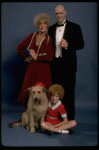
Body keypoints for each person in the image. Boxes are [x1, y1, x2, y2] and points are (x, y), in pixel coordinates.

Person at [48, 5, 84, 120]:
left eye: (60, 13)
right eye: (56, 13)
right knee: (55, 95)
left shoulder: (75, 27)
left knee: (68, 95)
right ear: (54, 15)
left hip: (69, 67)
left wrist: (68, 45)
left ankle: (69, 122)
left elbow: (81, 44)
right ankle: (56, 121)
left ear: (65, 13)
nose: (58, 15)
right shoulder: (51, 28)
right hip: (55, 66)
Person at [16, 13, 54, 107]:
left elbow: (51, 57)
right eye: (40, 24)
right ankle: (28, 116)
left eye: (44, 24)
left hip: (44, 70)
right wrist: (25, 57)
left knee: (43, 93)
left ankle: (42, 118)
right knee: (29, 90)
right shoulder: (32, 36)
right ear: (37, 25)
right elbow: (19, 48)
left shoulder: (49, 39)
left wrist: (37, 57)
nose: (42, 26)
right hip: (32, 68)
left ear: (47, 25)